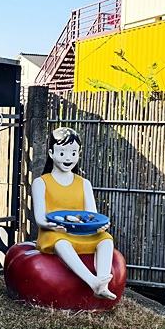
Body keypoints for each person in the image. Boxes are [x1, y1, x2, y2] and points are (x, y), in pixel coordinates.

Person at [31, 127, 116, 299]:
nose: (68, 158)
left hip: (82, 233)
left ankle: (103, 283)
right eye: (62, 153)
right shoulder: (41, 183)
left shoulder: (84, 183)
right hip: (54, 234)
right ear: (51, 153)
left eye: (73, 153)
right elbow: (40, 218)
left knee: (106, 240)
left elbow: (92, 216)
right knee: (62, 243)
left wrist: (100, 226)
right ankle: (93, 282)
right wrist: (53, 227)